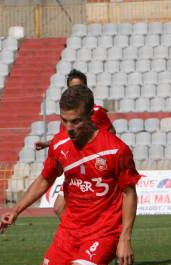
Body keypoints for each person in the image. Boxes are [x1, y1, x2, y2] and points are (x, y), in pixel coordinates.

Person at [0, 85, 140, 265]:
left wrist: (125, 237)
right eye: (64, 121)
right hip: (69, 230)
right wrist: (16, 210)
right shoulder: (61, 144)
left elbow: (129, 193)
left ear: (91, 116)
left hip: (102, 232)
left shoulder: (116, 150)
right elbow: (45, 179)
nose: (69, 127)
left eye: (76, 121)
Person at [35, 69, 116, 219]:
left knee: (93, 209)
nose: (76, 90)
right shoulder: (68, 115)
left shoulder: (96, 112)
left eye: (80, 87)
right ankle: (79, 233)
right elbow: (64, 137)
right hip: (73, 165)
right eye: (73, 87)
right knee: (59, 207)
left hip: (92, 167)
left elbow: (111, 132)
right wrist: (47, 144)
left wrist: (101, 149)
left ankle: (89, 234)